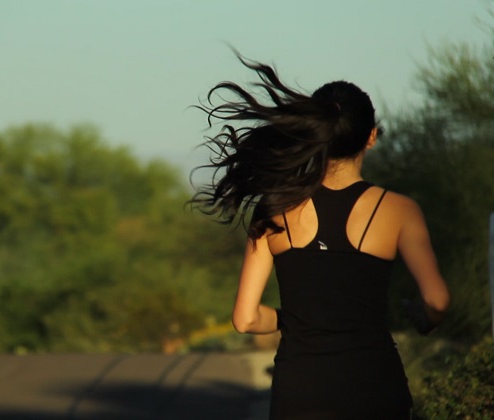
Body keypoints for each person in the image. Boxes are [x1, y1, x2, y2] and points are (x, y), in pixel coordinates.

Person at [191, 54, 450, 419]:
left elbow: (245, 319)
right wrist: (424, 320)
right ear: (371, 137)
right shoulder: (399, 210)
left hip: (300, 392)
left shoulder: (273, 208)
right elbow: (437, 300)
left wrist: (291, 319)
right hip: (374, 388)